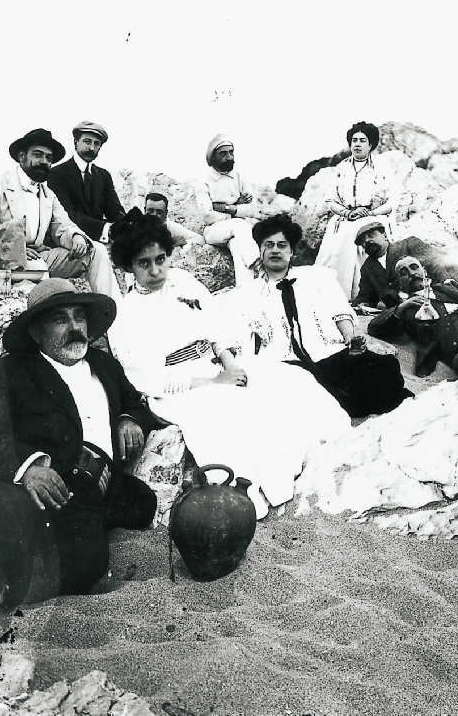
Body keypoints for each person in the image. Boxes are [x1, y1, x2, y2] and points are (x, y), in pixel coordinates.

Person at [106, 214, 350, 519]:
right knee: (228, 405)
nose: (156, 270)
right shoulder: (127, 314)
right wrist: (213, 382)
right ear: (129, 265)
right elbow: (149, 377)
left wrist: (231, 363)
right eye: (144, 263)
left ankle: (308, 454)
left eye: (161, 259)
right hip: (179, 387)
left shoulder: (183, 281)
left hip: (215, 365)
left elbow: (216, 329)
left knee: (288, 378)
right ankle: (257, 490)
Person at [0, 278, 159, 602]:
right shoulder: (8, 372)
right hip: (57, 489)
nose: (75, 327)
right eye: (61, 319)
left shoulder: (104, 364)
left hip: (106, 484)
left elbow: (135, 402)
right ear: (36, 332)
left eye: (79, 317)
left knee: (143, 503)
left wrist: (129, 420)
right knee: (85, 565)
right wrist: (29, 467)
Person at [227, 214, 412, 419]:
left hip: (329, 354)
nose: (275, 250)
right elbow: (238, 336)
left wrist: (350, 337)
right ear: (260, 250)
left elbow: (339, 311)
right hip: (287, 364)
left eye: (282, 245)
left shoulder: (317, 277)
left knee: (382, 369)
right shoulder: (248, 293)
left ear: (291, 251)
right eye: (268, 245)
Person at [0, 128, 119, 298]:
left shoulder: (48, 195)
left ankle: (108, 309)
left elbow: (63, 226)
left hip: (38, 258)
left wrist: (77, 237)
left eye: (49, 158)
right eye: (38, 155)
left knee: (96, 250)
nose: (44, 162)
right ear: (22, 156)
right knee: (38, 267)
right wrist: (16, 251)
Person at [315, 122, 397, 299]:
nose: (357, 144)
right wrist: (347, 213)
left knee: (359, 231)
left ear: (371, 145)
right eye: (354, 140)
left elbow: (393, 201)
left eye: (362, 140)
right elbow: (330, 200)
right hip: (347, 216)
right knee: (343, 231)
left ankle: (359, 294)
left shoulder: (382, 168)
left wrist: (372, 212)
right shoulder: (341, 168)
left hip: (374, 215)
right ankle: (335, 293)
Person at [367, 255, 458, 376]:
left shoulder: (448, 287)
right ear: (399, 283)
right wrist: (402, 307)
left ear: (424, 271)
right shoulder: (406, 311)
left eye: (414, 267)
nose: (412, 273)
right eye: (404, 273)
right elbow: (374, 328)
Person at [352, 219, 458, 309]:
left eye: (371, 235)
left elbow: (439, 264)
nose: (366, 240)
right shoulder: (367, 268)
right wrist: (363, 304)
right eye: (363, 240)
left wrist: (452, 289)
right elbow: (365, 295)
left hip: (435, 301)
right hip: (403, 314)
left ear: (385, 236)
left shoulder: (409, 245)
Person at [195, 134, 261, 286]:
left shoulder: (241, 177)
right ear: (213, 158)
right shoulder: (204, 180)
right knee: (240, 224)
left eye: (231, 152)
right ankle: (258, 263)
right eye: (223, 154)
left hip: (238, 232)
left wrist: (223, 208)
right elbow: (207, 215)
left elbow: (252, 209)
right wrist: (236, 208)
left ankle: (245, 288)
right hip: (214, 231)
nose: (229, 157)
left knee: (238, 247)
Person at [47, 121, 126, 243]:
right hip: (70, 242)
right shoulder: (56, 174)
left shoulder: (103, 176)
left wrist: (127, 224)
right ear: (75, 143)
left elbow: (114, 210)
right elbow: (68, 214)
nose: (92, 148)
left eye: (97, 144)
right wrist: (106, 229)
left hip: (101, 240)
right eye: (87, 142)